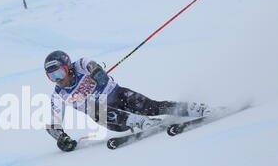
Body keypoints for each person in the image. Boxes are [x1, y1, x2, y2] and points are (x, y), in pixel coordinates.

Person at [44, 50, 212, 152]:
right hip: (107, 117)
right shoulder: (58, 95)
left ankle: (195, 109)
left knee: (152, 106)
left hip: (117, 94)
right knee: (93, 108)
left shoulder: (80, 64)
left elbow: (91, 64)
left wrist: (96, 72)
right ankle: (139, 122)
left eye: (59, 73)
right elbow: (53, 124)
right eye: (52, 76)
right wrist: (61, 138)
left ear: (68, 68)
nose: (57, 79)